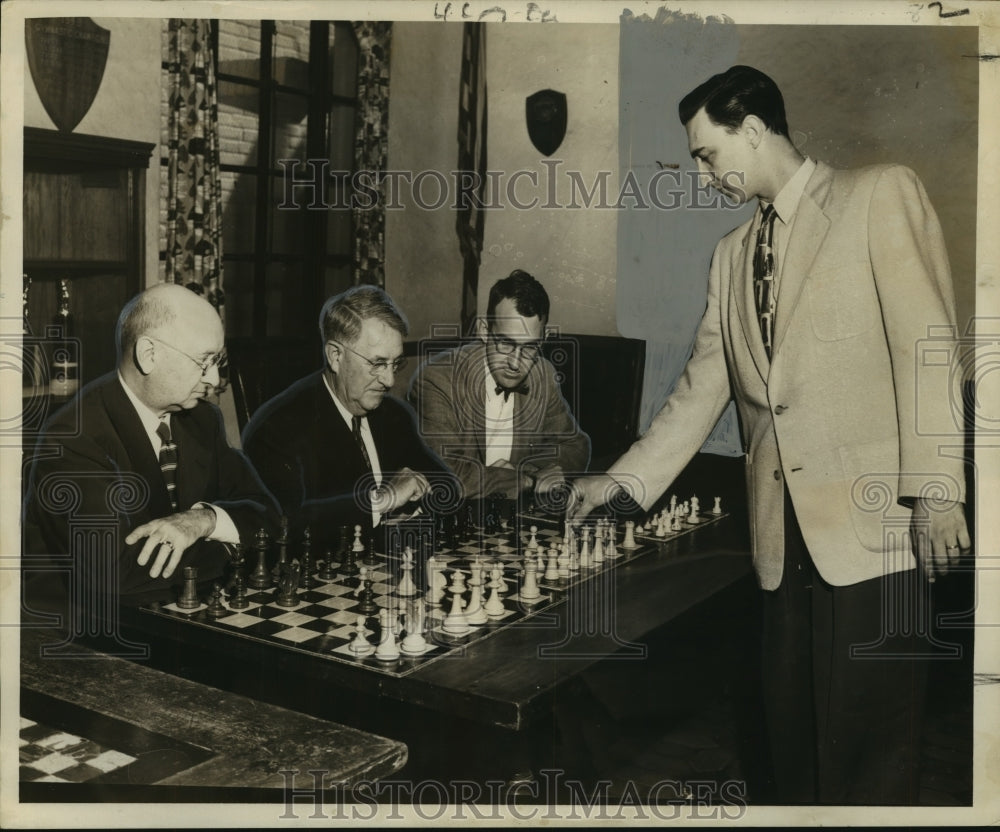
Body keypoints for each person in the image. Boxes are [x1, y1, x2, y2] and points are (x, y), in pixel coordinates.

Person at [568, 65, 970, 805]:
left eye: (706, 153)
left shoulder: (877, 194)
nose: (701, 173)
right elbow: (698, 392)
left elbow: (928, 346)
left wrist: (939, 491)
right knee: (792, 751)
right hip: (780, 543)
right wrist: (622, 481)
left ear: (752, 130)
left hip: (876, 531)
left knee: (871, 755)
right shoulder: (729, 255)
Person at [22, 283, 280, 609]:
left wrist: (204, 521)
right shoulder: (74, 436)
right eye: (203, 362)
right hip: (83, 636)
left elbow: (269, 517)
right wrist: (233, 546)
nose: (214, 380)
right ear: (148, 355)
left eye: (218, 361)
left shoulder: (202, 420)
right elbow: (116, 574)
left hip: (176, 612)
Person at [241, 285, 451, 546]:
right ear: (335, 356)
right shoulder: (277, 429)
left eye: (395, 363)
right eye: (377, 364)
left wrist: (413, 508)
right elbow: (283, 525)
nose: (389, 380)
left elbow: (447, 486)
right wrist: (383, 501)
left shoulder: (394, 415)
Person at [408, 270, 590, 502]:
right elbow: (444, 475)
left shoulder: (542, 375)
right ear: (484, 331)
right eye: (505, 343)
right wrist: (526, 481)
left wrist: (527, 469)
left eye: (530, 348)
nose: (515, 363)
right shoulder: (437, 380)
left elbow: (576, 445)